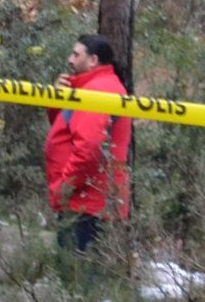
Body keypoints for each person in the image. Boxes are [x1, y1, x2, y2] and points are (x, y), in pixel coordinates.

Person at [44, 34, 131, 271]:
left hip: (85, 203)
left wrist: (64, 187)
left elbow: (89, 149)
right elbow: (64, 128)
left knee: (76, 281)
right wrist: (57, 99)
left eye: (76, 54)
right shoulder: (90, 88)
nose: (69, 60)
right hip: (87, 200)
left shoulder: (98, 91)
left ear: (93, 60)